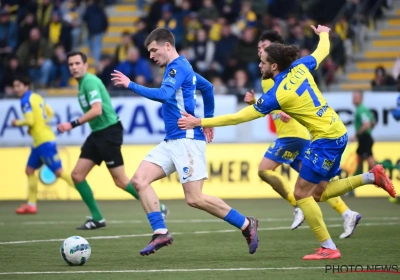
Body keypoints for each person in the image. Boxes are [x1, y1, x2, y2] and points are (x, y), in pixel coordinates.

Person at [178, 25, 396, 260]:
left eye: (262, 61)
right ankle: (372, 177)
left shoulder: (278, 93)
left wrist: (200, 121)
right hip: (336, 131)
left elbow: (239, 117)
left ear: (273, 66)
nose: (259, 65)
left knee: (302, 194)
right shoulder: (301, 66)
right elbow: (322, 51)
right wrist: (323, 33)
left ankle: (329, 247)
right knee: (320, 192)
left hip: (325, 140)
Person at [111, 28, 259, 256]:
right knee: (139, 180)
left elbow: (163, 95)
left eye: (153, 50)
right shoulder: (181, 67)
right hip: (172, 140)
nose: (151, 56)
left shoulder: (178, 67)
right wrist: (207, 120)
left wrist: (130, 84)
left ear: (167, 45)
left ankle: (246, 224)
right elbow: (207, 88)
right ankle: (160, 232)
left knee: (195, 198)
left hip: (187, 140)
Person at [244, 30, 361, 238]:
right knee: (317, 186)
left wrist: (272, 110)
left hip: (292, 135)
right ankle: (347, 213)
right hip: (303, 135)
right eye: (258, 48)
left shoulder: (273, 76)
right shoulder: (278, 73)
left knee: (264, 170)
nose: (260, 51)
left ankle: (297, 205)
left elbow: (283, 100)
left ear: (274, 57)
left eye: (264, 47)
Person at [57, 51, 169, 230]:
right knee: (77, 175)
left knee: (121, 180)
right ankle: (97, 218)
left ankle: (159, 208)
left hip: (109, 132)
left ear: (85, 65)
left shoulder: (90, 82)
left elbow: (97, 110)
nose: (74, 67)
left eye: (77, 63)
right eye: (71, 65)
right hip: (97, 134)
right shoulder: (82, 85)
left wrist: (71, 124)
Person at [11, 75, 75, 214]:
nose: (16, 89)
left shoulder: (25, 100)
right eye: (14, 86)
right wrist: (41, 123)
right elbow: (50, 113)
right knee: (29, 170)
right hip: (39, 142)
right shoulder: (36, 97)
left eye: (18, 86)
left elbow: (30, 121)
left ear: (26, 86)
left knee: (59, 172)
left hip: (44, 142)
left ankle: (85, 191)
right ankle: (31, 205)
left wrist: (17, 122)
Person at [348, 90, 376, 197]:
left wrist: (357, 135)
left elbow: (367, 124)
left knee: (372, 164)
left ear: (361, 98)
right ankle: (352, 188)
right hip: (365, 138)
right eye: (353, 97)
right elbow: (373, 122)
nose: (353, 99)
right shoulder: (364, 109)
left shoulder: (361, 110)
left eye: (355, 97)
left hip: (365, 139)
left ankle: (390, 171)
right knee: (359, 162)